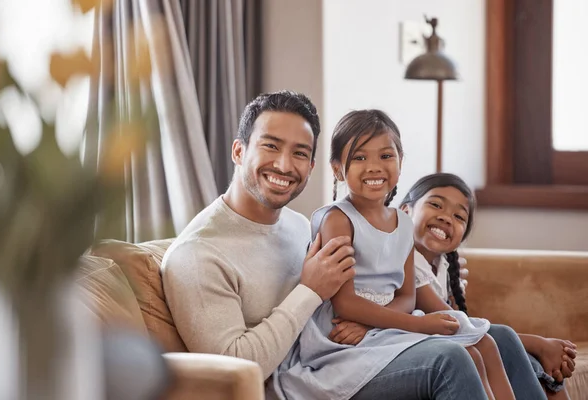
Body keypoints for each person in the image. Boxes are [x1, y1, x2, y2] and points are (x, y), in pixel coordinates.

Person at [162, 92, 490, 400]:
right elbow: (237, 370)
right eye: (271, 146)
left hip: (346, 353)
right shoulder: (198, 256)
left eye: (300, 153)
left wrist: (433, 266)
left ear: (313, 166)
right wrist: (310, 290)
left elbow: (370, 279)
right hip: (299, 381)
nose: (284, 165)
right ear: (238, 151)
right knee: (449, 360)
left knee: (493, 339)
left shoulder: (297, 224)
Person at [273, 109, 515, 400]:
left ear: (401, 162)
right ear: (337, 169)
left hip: (379, 326)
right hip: (340, 341)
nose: (374, 167)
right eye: (360, 158)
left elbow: (406, 296)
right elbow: (345, 303)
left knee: (482, 347)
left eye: (386, 156)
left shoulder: (402, 224)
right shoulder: (338, 220)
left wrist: (375, 323)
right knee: (462, 354)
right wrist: (418, 324)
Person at [399, 172, 578, 400]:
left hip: (441, 342)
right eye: (436, 204)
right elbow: (455, 324)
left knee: (539, 367)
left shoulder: (442, 266)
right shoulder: (407, 259)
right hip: (417, 347)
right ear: (406, 211)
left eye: (459, 217)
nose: (446, 218)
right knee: (504, 337)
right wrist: (538, 343)